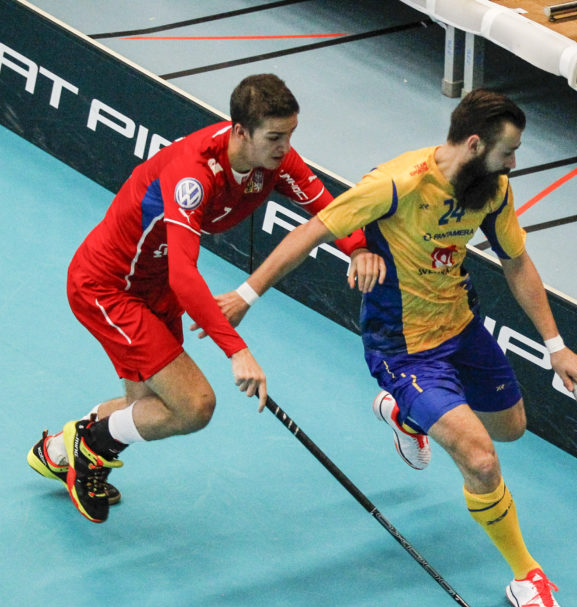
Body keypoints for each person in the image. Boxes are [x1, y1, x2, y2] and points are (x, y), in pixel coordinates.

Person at [239, 89, 577, 607]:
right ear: (474, 144)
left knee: (511, 428)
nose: (514, 163)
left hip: (462, 327)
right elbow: (313, 230)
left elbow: (517, 262)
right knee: (482, 460)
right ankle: (526, 576)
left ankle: (404, 415)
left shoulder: (491, 189)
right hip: (402, 345)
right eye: (507, 152)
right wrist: (247, 295)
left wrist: (555, 344)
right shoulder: (398, 183)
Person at [26, 74, 373, 523]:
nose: (285, 147)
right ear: (240, 132)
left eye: (290, 134)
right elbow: (186, 275)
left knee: (145, 407)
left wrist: (358, 247)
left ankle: (59, 450)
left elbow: (328, 209)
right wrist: (237, 350)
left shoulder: (274, 159)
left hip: (155, 288)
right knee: (193, 406)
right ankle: (89, 448)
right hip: (110, 287)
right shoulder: (193, 173)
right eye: (274, 137)